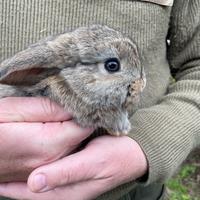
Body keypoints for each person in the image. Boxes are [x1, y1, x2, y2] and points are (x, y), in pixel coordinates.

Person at [0, 0, 199, 199]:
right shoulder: (59, 85)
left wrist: (144, 145)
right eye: (112, 66)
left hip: (131, 189)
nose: (139, 82)